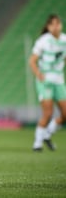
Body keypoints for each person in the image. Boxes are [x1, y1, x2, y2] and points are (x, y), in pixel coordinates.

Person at [30, 14, 66, 151]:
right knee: (48, 113)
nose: (56, 26)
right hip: (45, 80)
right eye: (53, 24)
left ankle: (48, 133)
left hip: (59, 80)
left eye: (58, 23)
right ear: (49, 26)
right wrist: (38, 74)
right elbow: (32, 61)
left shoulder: (64, 40)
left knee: (65, 114)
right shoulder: (43, 41)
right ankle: (37, 144)